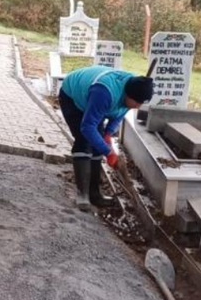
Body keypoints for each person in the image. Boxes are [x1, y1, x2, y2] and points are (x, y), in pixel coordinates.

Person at [58, 66, 154, 211]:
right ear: (127, 94)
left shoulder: (135, 87)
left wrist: (108, 134)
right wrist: (108, 152)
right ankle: (82, 194)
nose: (138, 107)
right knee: (84, 140)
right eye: (137, 102)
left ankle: (95, 194)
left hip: (95, 99)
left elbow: (120, 112)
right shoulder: (104, 93)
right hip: (73, 96)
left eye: (141, 103)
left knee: (98, 143)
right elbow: (87, 127)